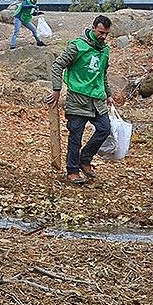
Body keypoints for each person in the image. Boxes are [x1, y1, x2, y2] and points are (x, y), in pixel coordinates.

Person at [46, 15, 113, 185]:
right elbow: (57, 65)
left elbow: (102, 74)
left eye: (106, 33)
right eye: (100, 32)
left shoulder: (104, 50)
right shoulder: (77, 46)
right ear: (93, 28)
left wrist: (109, 94)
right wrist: (56, 89)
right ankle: (72, 170)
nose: (103, 36)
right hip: (77, 98)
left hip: (97, 99)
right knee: (76, 135)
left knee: (104, 129)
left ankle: (85, 159)